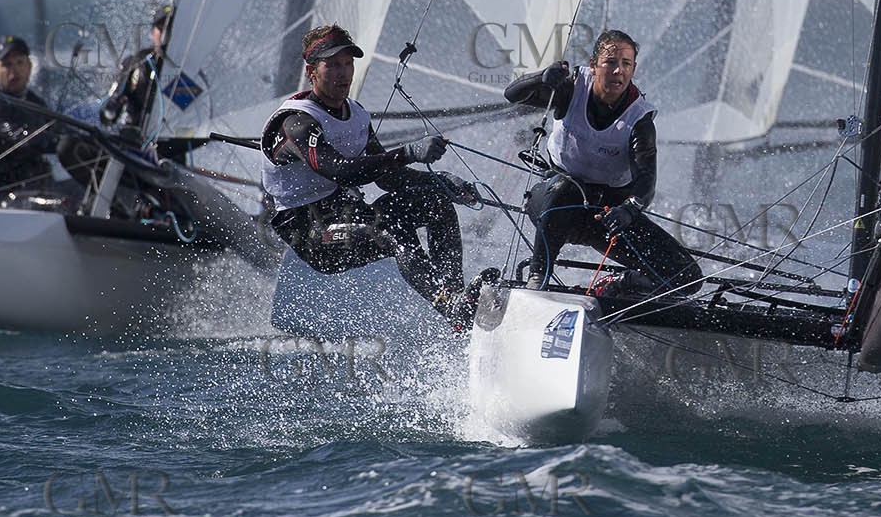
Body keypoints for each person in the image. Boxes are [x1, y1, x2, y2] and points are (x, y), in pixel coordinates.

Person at [261, 24, 483, 328]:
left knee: (436, 201)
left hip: (350, 213)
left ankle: (457, 297)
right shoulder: (296, 123)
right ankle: (449, 306)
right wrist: (407, 151)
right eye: (332, 65)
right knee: (389, 233)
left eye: (348, 63)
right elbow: (340, 170)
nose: (343, 73)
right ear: (311, 71)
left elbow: (388, 178)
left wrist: (439, 180)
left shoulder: (356, 114)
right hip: (312, 233)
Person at [504, 29, 702, 298]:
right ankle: (537, 277)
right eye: (610, 63)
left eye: (626, 64)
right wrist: (541, 78)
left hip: (606, 218)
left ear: (633, 69)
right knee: (564, 188)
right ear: (593, 65)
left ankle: (620, 286)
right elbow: (512, 95)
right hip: (554, 206)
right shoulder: (571, 88)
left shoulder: (639, 119)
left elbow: (646, 179)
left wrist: (630, 209)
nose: (618, 71)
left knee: (688, 278)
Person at [0, 36, 74, 210]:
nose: (14, 71)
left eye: (19, 63)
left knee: (92, 190)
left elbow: (64, 131)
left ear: (29, 66)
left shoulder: (35, 103)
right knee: (66, 204)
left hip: (42, 189)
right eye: (7, 65)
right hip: (9, 199)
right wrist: (64, 142)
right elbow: (24, 138)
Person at [99, 4, 170, 144]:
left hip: (167, 143)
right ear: (152, 32)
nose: (165, 32)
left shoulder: (187, 68)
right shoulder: (137, 62)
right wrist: (113, 107)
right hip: (133, 138)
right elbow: (107, 114)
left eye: (169, 27)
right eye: (160, 27)